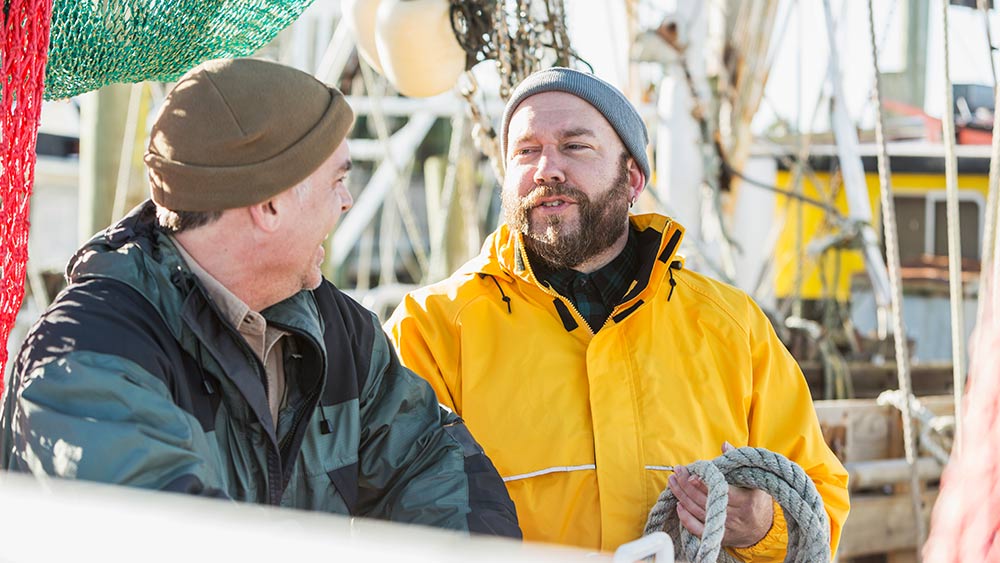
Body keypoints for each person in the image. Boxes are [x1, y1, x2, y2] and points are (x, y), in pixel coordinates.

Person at [0, 57, 520, 538]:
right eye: (337, 179)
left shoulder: (335, 329)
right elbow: (162, 538)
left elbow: (429, 458)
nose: (347, 200)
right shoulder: (87, 358)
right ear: (269, 203)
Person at [386, 67, 849, 559]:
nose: (547, 169)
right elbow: (383, 504)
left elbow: (819, 499)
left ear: (632, 177)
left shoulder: (732, 327)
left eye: (574, 146)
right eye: (526, 150)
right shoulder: (431, 327)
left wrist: (763, 525)